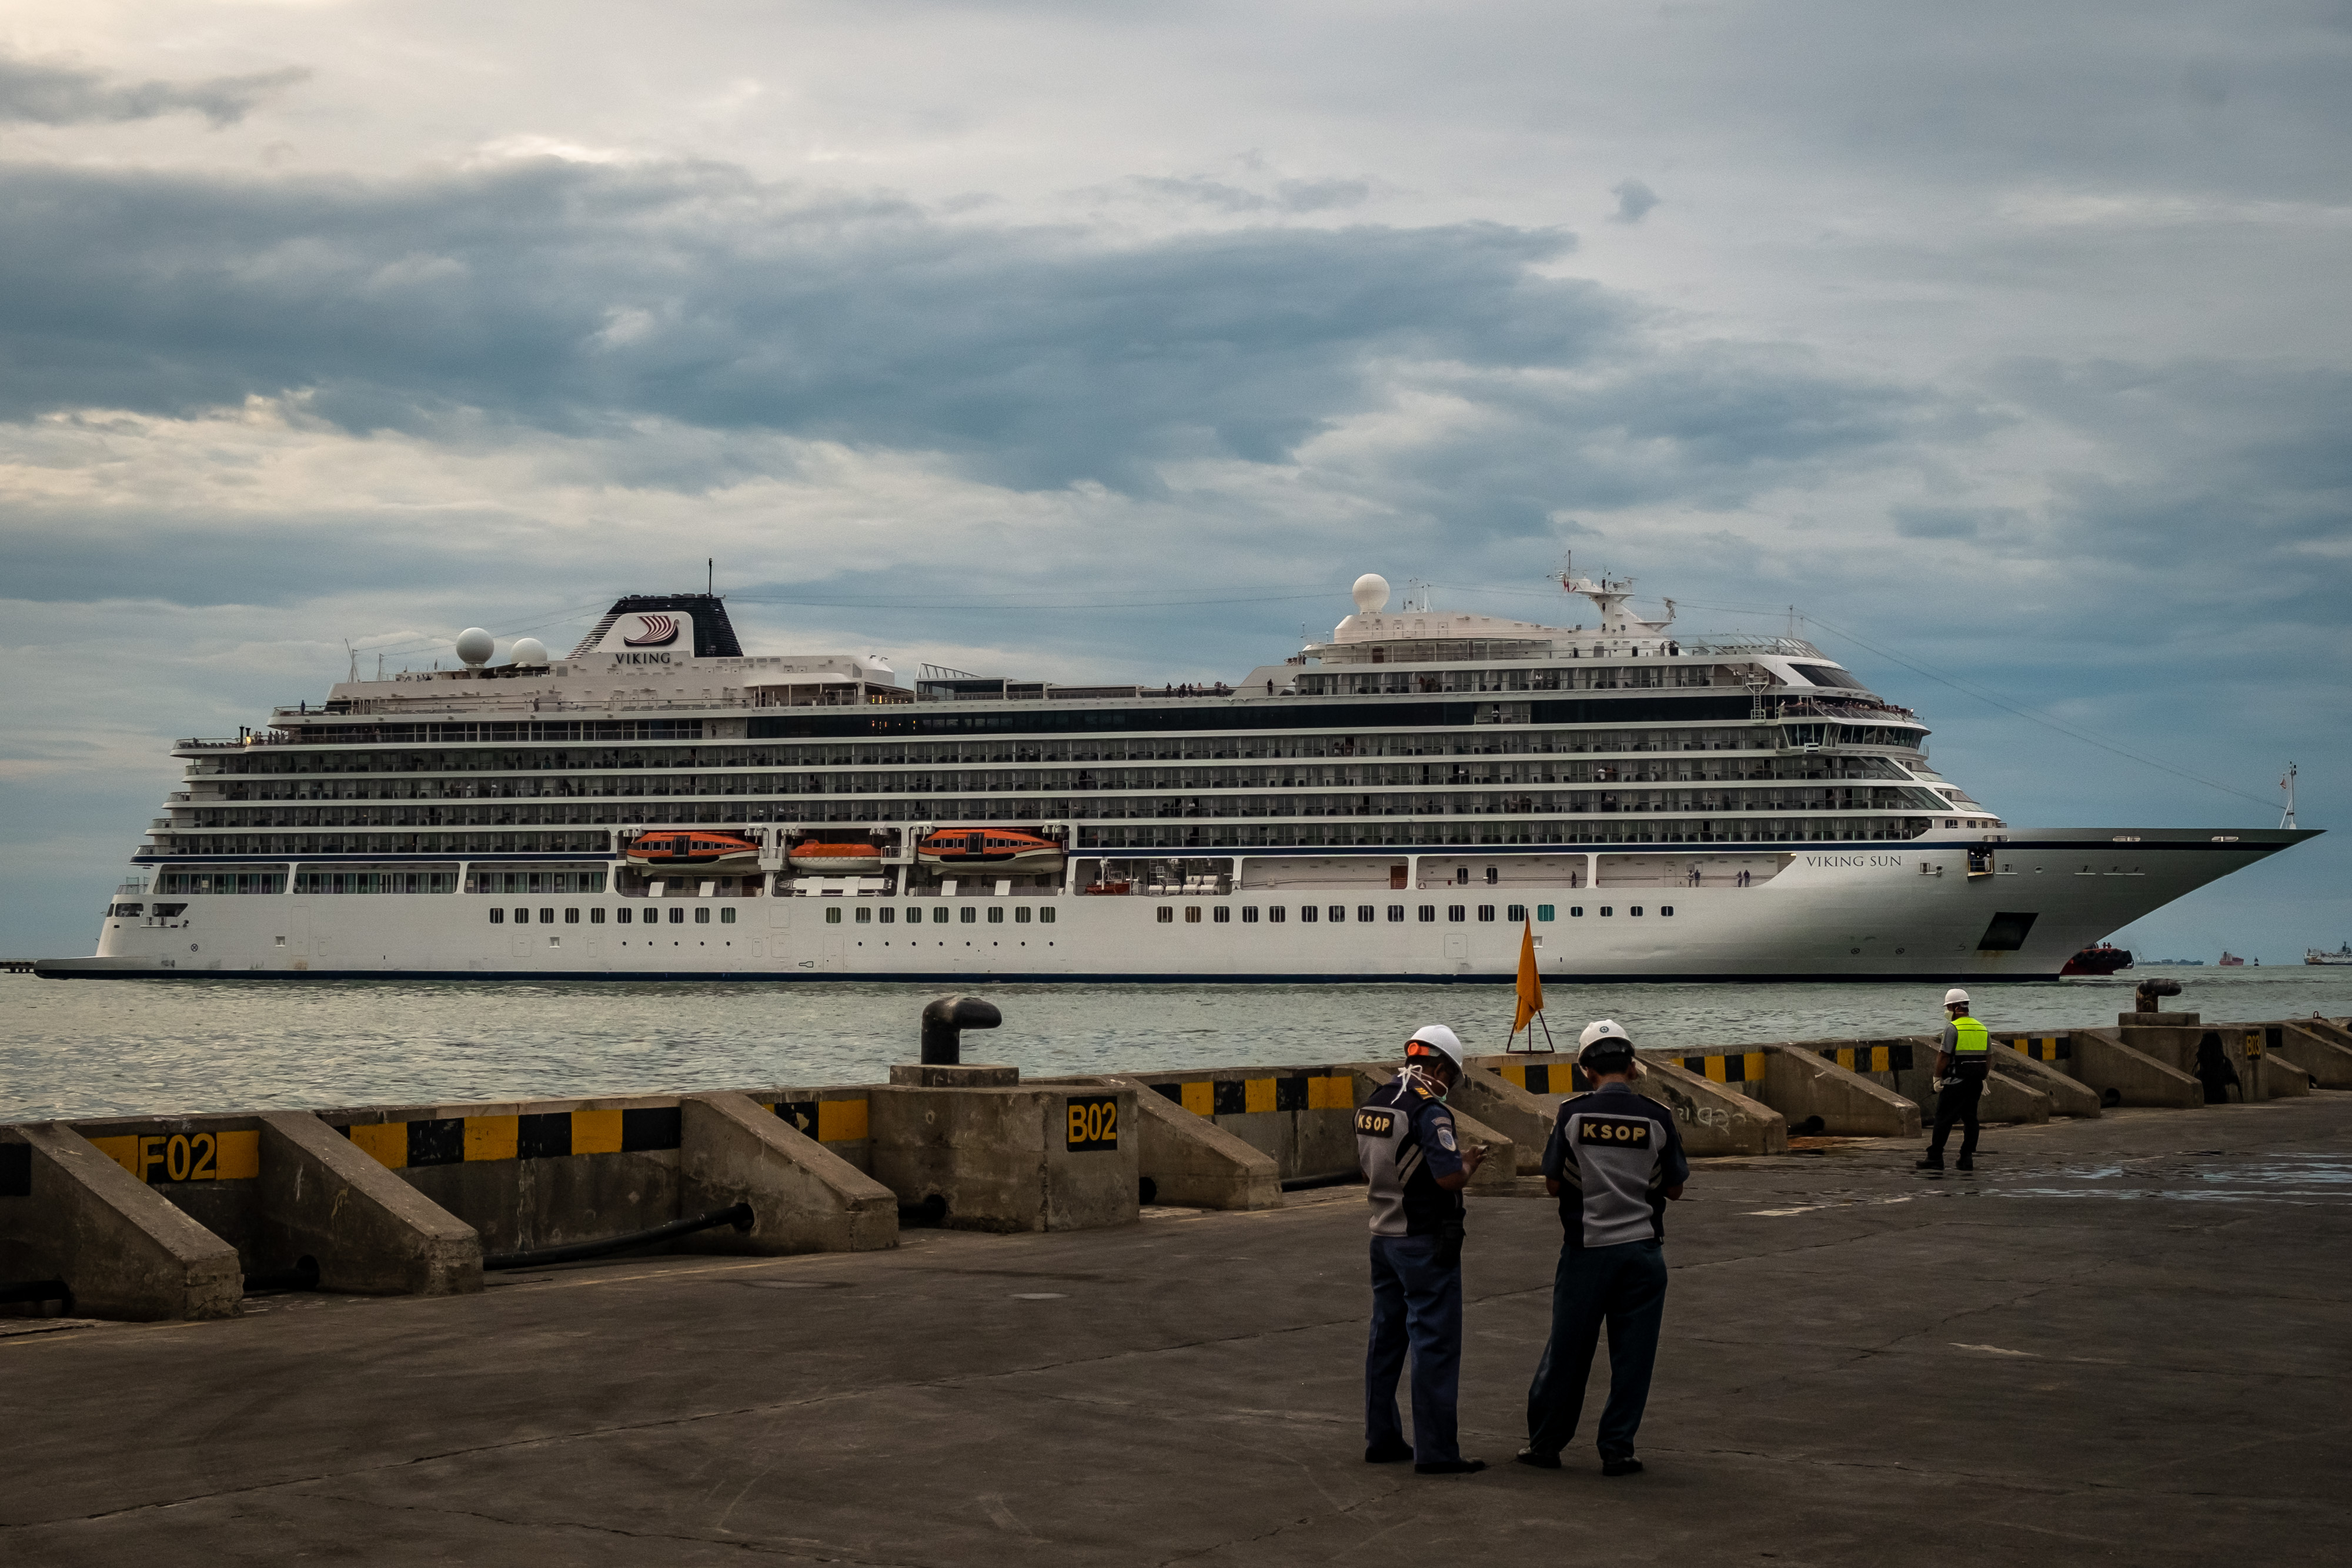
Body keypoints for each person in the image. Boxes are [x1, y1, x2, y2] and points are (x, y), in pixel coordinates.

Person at [1519, 1019, 1688, 1477]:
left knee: (1568, 1352)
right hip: (1643, 1253)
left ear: (1586, 1069)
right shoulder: (1658, 1116)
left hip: (1586, 1252)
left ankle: (1546, 1444)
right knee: (1633, 1358)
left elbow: (1553, 1183)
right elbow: (1673, 1188)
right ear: (1632, 1066)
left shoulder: (1572, 1114)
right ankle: (1618, 1449)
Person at [1358, 1024, 1489, 1475]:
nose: (1449, 1087)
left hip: (1383, 1235)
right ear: (1438, 1068)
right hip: (1423, 1241)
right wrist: (1468, 1162)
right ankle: (1436, 1451)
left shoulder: (1376, 1101)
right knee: (1433, 1344)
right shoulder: (1429, 1111)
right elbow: (1448, 1177)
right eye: (1450, 1077)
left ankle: (1382, 1437)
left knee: (1385, 1341)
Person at [1917, 988, 1992, 1171]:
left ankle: (1935, 1158)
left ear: (1954, 1007)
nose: (1947, 1011)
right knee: (1971, 1119)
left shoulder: (1953, 1028)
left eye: (1948, 1007)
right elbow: (1988, 1057)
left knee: (1943, 1119)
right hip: (1975, 1083)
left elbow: (1943, 1056)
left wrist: (1937, 1078)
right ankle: (1966, 1157)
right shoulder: (1982, 1028)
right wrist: (1983, 1078)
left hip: (1955, 1083)